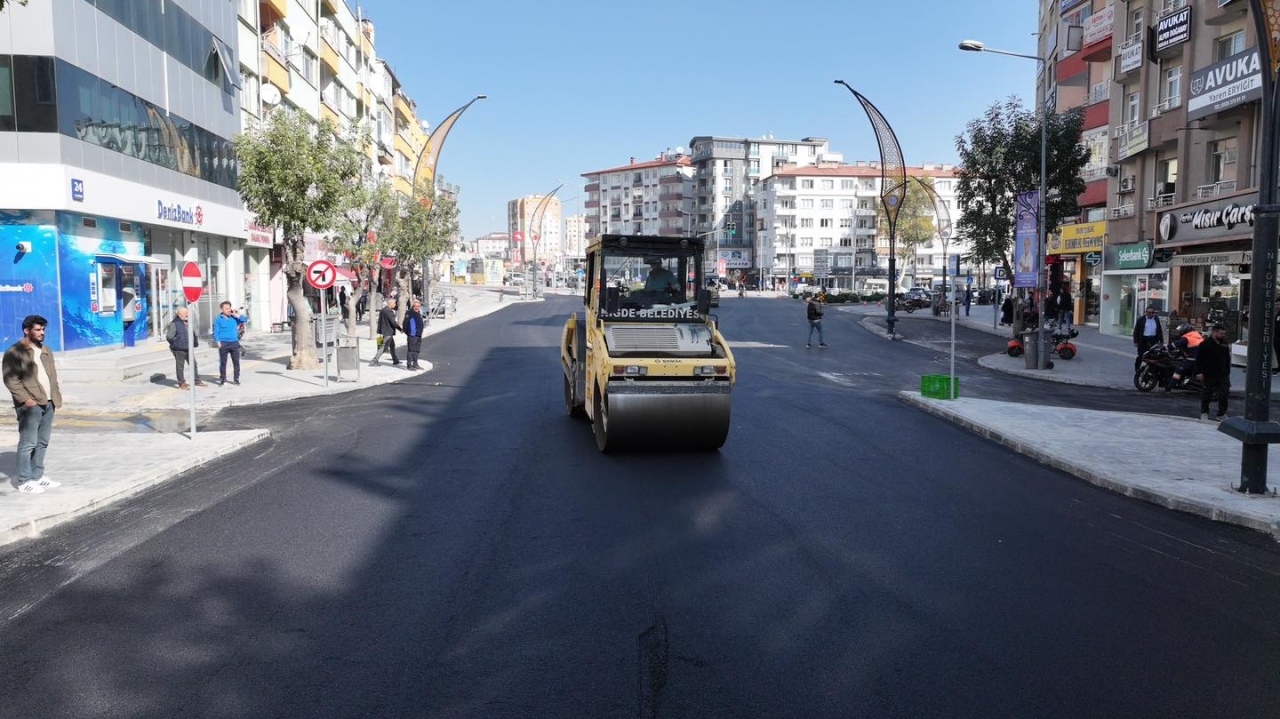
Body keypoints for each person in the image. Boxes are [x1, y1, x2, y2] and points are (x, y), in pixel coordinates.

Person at [3, 315, 62, 494]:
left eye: (43, 329)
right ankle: (24, 480)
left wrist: (56, 396)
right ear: (26, 331)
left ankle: (37, 476)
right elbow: (10, 379)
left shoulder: (46, 350)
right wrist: (26, 400)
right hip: (30, 405)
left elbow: (52, 376)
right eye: (38, 329)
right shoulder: (14, 352)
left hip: (49, 402)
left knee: (42, 442)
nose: (42, 333)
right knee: (28, 442)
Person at [1195, 323, 1231, 422]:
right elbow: (1199, 360)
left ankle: (1221, 414)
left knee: (1224, 394)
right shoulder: (1205, 344)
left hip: (1223, 374)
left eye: (1224, 333)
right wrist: (1199, 372)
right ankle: (1204, 412)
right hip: (1209, 373)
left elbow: (1227, 358)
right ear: (1215, 332)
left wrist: (1227, 371)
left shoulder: (1224, 344)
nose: (1223, 335)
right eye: (1221, 333)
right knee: (1207, 393)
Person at [165, 307, 206, 389]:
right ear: (179, 315)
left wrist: (195, 342)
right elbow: (169, 337)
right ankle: (181, 383)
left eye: (187, 313)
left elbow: (193, 334)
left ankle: (196, 380)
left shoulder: (187, 323)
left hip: (188, 348)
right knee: (180, 366)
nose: (187, 315)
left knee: (193, 364)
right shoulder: (174, 324)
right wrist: (177, 343)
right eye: (185, 313)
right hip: (179, 348)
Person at [213, 301, 247, 386]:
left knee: (236, 362)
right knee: (223, 362)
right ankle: (223, 379)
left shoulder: (234, 318)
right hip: (223, 343)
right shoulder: (218, 319)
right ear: (222, 309)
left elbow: (245, 319)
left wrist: (237, 315)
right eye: (226, 308)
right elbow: (216, 332)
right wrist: (218, 342)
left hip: (234, 343)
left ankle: (236, 379)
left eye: (229, 308)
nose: (229, 310)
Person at [370, 298, 401, 366]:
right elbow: (393, 322)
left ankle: (395, 360)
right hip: (388, 331)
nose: (395, 305)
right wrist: (400, 329)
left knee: (392, 345)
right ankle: (375, 360)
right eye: (394, 303)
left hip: (385, 330)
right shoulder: (389, 311)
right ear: (390, 303)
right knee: (384, 346)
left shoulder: (383, 310)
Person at [1132, 305, 1162, 372]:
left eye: (1152, 313)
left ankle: (1150, 370)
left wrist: (1161, 340)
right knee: (1141, 355)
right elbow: (1136, 331)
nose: (1151, 314)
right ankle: (1137, 370)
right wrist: (1135, 341)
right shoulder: (1141, 320)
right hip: (1143, 339)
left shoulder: (1156, 319)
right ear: (1146, 312)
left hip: (1153, 339)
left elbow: (1159, 330)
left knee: (1153, 355)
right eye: (1149, 313)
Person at [402, 298, 425, 371]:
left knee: (417, 350)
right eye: (416, 306)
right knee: (411, 350)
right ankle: (409, 365)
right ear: (413, 306)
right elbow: (405, 325)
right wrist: (408, 333)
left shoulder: (418, 313)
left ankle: (415, 363)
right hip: (412, 335)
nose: (417, 307)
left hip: (418, 335)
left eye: (418, 306)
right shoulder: (409, 313)